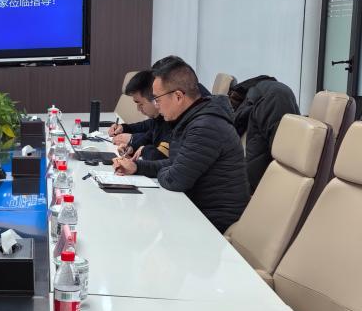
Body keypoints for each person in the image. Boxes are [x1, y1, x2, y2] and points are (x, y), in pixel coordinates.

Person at [113, 60, 249, 232]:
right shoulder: (191, 119)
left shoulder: (205, 127)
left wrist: (171, 170)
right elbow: (176, 164)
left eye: (157, 99)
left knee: (133, 227)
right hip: (193, 209)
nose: (156, 105)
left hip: (211, 222)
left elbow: (175, 180)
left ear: (178, 96)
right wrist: (137, 167)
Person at [229, 76, 300, 192]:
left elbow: (285, 156)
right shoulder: (264, 96)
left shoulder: (274, 97)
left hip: (253, 188)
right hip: (245, 180)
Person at [107, 70, 172, 161]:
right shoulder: (158, 119)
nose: (138, 109)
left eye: (140, 104)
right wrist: (131, 147)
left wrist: (143, 149)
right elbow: (148, 136)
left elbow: (159, 157)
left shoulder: (171, 121)